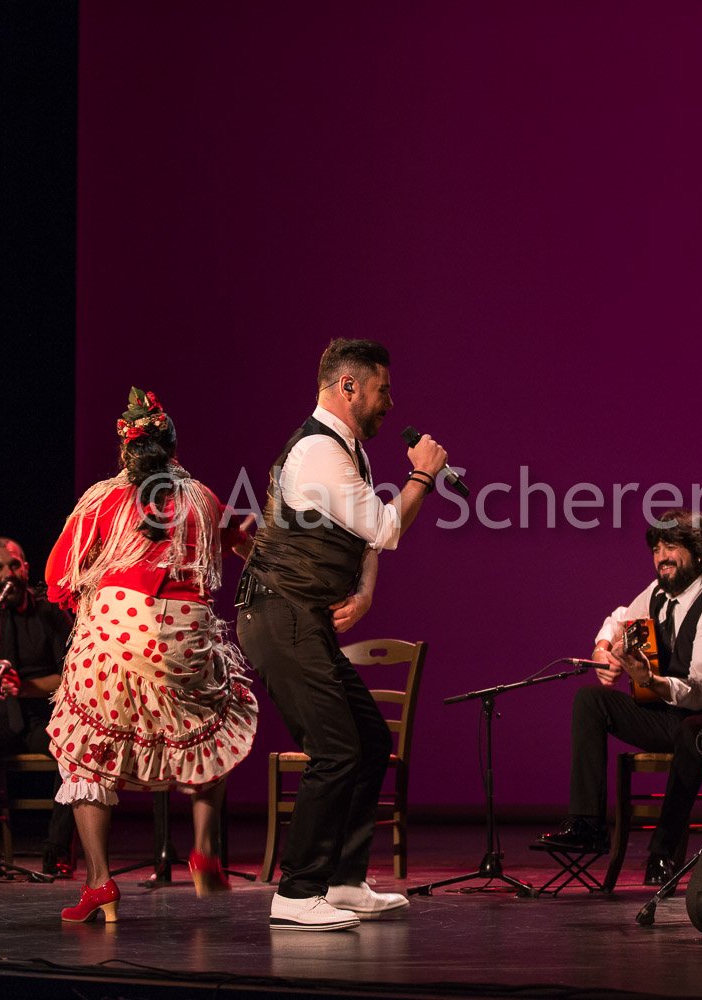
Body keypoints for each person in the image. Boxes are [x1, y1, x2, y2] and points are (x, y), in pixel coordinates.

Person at [237, 338, 448, 931]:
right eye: (383, 390)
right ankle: (297, 891)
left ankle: (344, 881)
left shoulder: (347, 450)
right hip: (279, 614)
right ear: (348, 387)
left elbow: (366, 539)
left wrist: (366, 591)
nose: (391, 403)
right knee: (335, 749)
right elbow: (384, 527)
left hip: (302, 618)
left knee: (371, 741)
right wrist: (422, 476)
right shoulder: (318, 451)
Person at [45, 387, 259, 922]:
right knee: (213, 723)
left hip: (117, 632)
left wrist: (93, 604)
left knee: (85, 747)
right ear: (174, 449)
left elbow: (57, 576)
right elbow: (234, 541)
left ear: (126, 451)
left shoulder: (101, 500)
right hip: (185, 636)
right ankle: (205, 849)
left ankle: (99, 882)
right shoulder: (203, 499)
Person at [536, 510, 702, 886]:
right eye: (656, 549)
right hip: (672, 716)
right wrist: (602, 649)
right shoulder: (658, 595)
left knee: (693, 730)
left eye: (672, 547)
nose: (662, 557)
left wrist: (649, 679)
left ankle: (663, 853)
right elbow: (619, 617)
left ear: (699, 553)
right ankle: (587, 825)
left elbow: (698, 694)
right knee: (591, 701)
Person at [0, 537, 75, 875]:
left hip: (42, 715)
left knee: (74, 746)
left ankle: (57, 850)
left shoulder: (50, 609)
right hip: (0, 715)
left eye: (14, 565)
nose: (8, 573)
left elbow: (72, 675)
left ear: (27, 568)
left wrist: (27, 688)